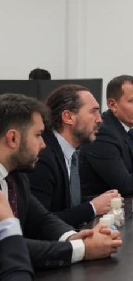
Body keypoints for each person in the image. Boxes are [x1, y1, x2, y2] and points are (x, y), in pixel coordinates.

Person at [0, 94, 122, 270]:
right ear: (13, 138)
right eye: (38, 135)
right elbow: (7, 246)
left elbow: (41, 219)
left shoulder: (16, 175)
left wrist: (74, 237)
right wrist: (82, 249)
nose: (43, 144)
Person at [27, 85, 121, 227]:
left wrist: (101, 201)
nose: (99, 120)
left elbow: (69, 203)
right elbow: (38, 223)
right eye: (93, 112)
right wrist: (92, 208)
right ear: (68, 117)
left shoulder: (72, 152)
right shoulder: (43, 157)